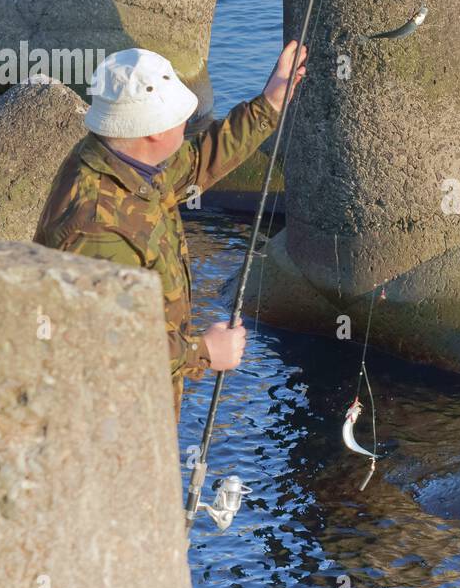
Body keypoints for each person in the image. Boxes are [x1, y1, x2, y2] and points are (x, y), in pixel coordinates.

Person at [34, 42, 305, 418]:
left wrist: (269, 104)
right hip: (111, 423)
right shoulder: (97, 227)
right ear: (153, 133)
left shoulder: (123, 159)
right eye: (181, 117)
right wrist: (204, 351)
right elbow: (106, 343)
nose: (188, 122)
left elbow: (196, 164)